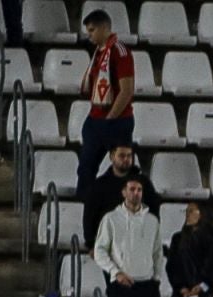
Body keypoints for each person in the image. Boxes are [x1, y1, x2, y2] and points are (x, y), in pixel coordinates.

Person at [92, 177, 161, 297]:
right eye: (132, 189)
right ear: (124, 192)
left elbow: (157, 253)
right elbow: (99, 251)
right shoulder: (111, 219)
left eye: (139, 190)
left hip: (145, 283)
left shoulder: (152, 221)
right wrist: (116, 272)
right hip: (121, 283)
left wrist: (156, 278)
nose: (135, 193)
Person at [75, 10, 135, 201]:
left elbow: (126, 90)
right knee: (85, 168)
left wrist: (109, 119)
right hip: (95, 119)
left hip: (115, 121)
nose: (89, 35)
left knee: (122, 170)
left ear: (103, 28)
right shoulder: (99, 53)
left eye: (92, 30)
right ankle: (85, 208)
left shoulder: (119, 50)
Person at [80, 140, 157, 251]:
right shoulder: (99, 185)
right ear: (112, 157)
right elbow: (89, 217)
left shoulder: (144, 184)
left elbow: (154, 213)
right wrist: (92, 245)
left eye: (129, 156)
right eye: (121, 155)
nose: (126, 159)